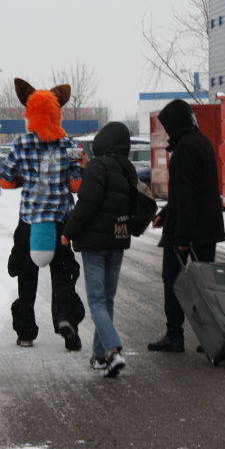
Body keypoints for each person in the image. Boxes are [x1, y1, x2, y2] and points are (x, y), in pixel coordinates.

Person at [0, 78, 86, 351]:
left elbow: (6, 181)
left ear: (30, 114)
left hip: (29, 222)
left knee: (26, 278)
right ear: (56, 113)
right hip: (61, 223)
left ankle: (25, 331)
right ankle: (66, 321)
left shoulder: (21, 144)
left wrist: (27, 180)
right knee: (63, 277)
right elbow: (76, 184)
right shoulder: (69, 145)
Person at [147, 99, 225, 353]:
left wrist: (182, 236)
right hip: (207, 229)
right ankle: (211, 335)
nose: (168, 131)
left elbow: (188, 197)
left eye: (169, 126)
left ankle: (174, 334)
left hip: (188, 230)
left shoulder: (185, 149)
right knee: (205, 283)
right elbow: (189, 192)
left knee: (172, 280)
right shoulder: (201, 143)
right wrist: (166, 213)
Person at [62, 122, 136, 377]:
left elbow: (87, 204)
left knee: (96, 300)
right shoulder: (128, 169)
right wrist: (88, 168)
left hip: (95, 244)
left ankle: (113, 350)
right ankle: (100, 356)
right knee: (107, 298)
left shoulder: (97, 167)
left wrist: (68, 232)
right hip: (118, 239)